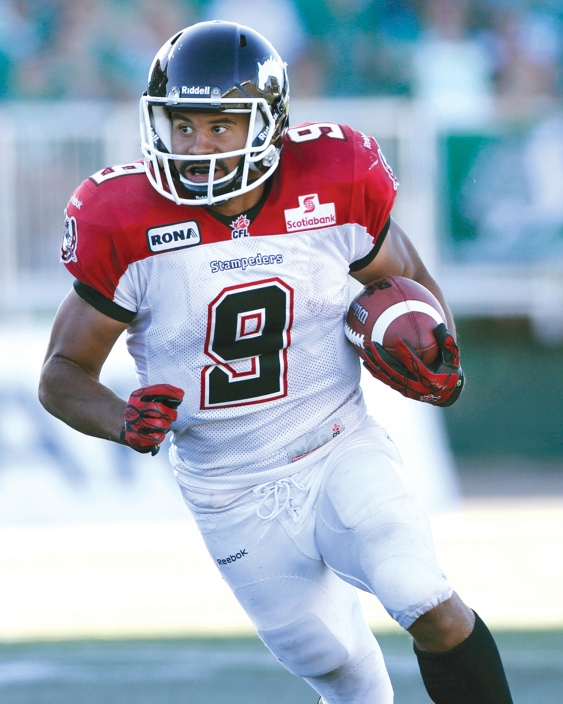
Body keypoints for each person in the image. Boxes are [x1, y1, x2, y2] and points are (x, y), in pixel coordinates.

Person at [39, 20, 513, 704]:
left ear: (268, 127)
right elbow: (61, 372)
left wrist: (430, 346)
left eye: (219, 127)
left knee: (424, 598)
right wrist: (121, 419)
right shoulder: (123, 217)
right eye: (182, 126)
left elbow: (406, 280)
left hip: (336, 442)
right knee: (337, 667)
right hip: (228, 485)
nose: (196, 146)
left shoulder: (335, 178)